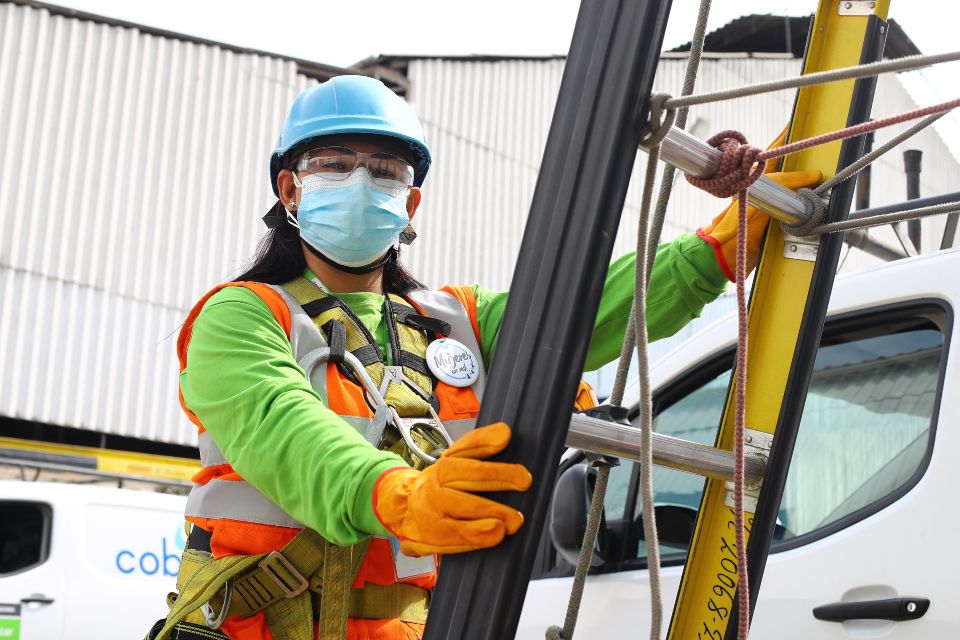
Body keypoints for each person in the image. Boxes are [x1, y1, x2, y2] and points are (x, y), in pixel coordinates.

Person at [147, 75, 820, 640]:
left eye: (384, 172)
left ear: (409, 205)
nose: (360, 183)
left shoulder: (460, 321)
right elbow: (284, 432)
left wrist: (712, 252)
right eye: (333, 165)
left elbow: (589, 308)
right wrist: (399, 495)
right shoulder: (240, 316)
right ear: (290, 192)